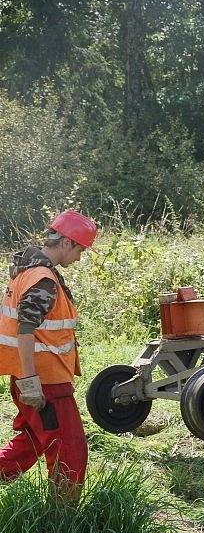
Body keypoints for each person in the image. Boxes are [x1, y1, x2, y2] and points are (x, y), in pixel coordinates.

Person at [0, 210, 97, 496]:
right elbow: (25, 331)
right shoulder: (43, 280)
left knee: (32, 440)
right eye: (80, 250)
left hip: (30, 377)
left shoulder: (28, 272)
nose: (79, 258)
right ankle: (62, 519)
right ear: (66, 242)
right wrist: (30, 381)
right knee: (70, 449)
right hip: (45, 383)